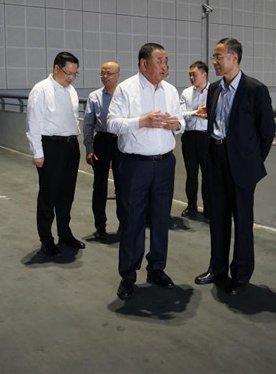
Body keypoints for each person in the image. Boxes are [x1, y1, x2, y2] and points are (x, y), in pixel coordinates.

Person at [194, 38, 276, 296]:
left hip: (241, 165)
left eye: (218, 56)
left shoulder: (255, 89)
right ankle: (217, 268)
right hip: (216, 159)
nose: (214, 61)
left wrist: (252, 162)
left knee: (242, 222)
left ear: (234, 58)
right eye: (214, 57)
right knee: (217, 218)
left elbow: (267, 131)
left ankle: (240, 275)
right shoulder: (214, 89)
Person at [107, 42, 185, 299]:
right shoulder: (126, 89)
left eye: (166, 61)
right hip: (135, 165)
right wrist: (142, 121)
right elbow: (112, 123)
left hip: (164, 164)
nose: (165, 66)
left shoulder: (170, 90)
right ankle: (128, 275)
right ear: (144, 64)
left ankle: (157, 268)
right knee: (133, 220)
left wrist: (177, 124)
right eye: (160, 60)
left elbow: (181, 121)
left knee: (161, 219)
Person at [26, 51, 86, 256]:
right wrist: (37, 153)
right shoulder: (41, 89)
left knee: (67, 194)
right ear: (56, 68)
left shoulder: (71, 90)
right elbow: (33, 123)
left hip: (70, 146)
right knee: (48, 195)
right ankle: (46, 239)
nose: (71, 77)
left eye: (75, 74)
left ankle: (64, 233)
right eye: (68, 73)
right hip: (51, 146)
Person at [83, 60, 122, 240]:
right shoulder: (94, 96)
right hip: (102, 141)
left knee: (123, 186)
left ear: (118, 75)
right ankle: (100, 226)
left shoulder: (125, 95)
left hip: (121, 141)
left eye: (109, 73)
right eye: (102, 73)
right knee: (99, 186)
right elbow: (88, 124)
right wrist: (89, 148)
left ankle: (124, 224)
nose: (105, 76)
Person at [179, 61, 209, 218]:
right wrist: (195, 113)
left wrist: (208, 114)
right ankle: (191, 206)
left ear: (204, 74)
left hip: (207, 137)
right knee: (191, 174)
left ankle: (208, 207)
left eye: (194, 74)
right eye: (190, 74)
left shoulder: (214, 91)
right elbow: (180, 113)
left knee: (208, 175)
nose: (191, 77)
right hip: (190, 137)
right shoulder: (186, 93)